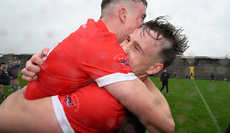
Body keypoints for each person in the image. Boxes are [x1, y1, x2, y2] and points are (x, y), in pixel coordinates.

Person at [0, 17, 188, 133]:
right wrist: (40, 72)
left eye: (136, 49)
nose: (122, 48)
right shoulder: (102, 68)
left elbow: (8, 115)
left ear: (154, 69)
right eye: (128, 39)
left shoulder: (116, 99)